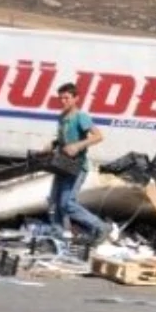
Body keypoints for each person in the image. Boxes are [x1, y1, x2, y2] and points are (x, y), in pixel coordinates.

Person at [38, 82, 117, 243]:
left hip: (76, 167)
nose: (63, 101)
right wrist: (52, 145)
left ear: (76, 98)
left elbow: (98, 136)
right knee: (54, 202)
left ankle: (101, 227)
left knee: (67, 204)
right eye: (61, 98)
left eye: (67, 98)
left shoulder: (81, 117)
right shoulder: (62, 117)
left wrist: (78, 145)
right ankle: (57, 235)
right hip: (62, 165)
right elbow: (62, 140)